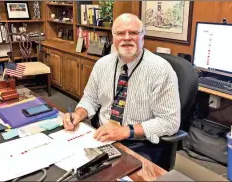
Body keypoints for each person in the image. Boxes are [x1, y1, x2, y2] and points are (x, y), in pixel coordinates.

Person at [63, 13, 180, 164]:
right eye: (120, 33)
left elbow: (170, 122)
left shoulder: (161, 70)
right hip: (101, 136)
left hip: (138, 143)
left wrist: (124, 131)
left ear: (143, 37)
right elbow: (90, 99)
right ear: (113, 37)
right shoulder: (102, 64)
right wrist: (78, 114)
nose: (126, 38)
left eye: (133, 33)